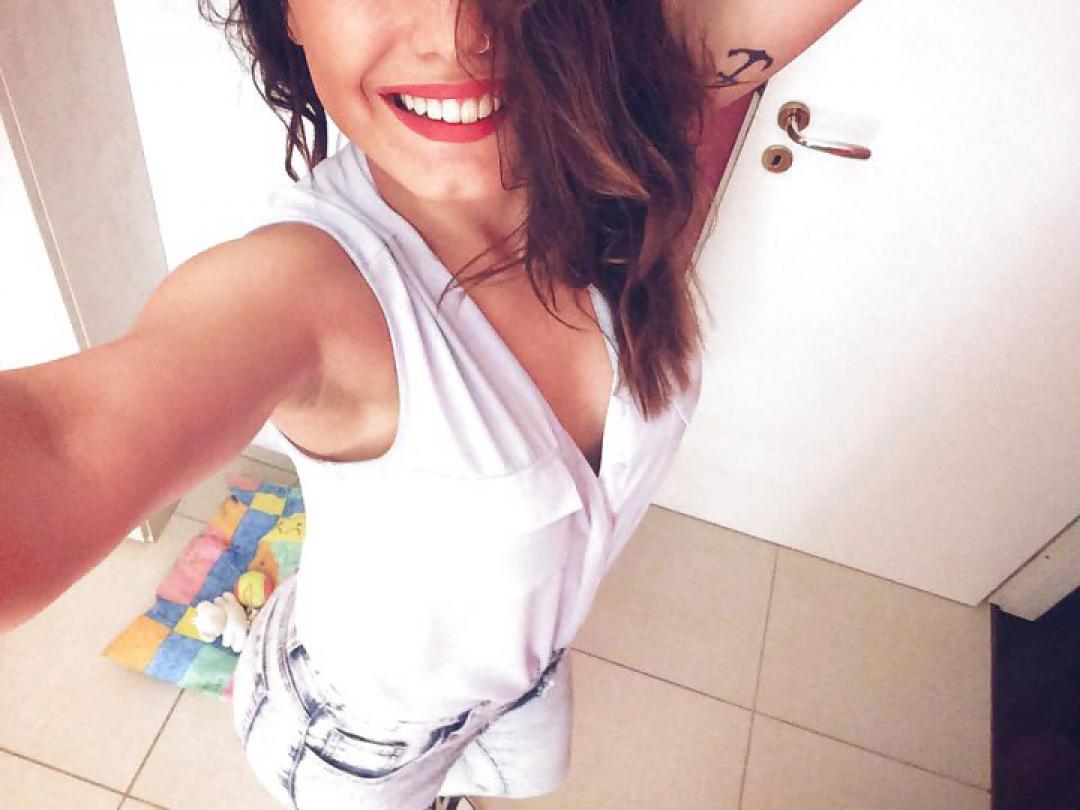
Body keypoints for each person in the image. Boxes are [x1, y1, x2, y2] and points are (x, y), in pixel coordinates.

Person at [1, 0, 862, 807]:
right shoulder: (297, 290)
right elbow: (65, 444)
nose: (460, 36)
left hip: (526, 677)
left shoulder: (616, 121)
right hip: (360, 736)